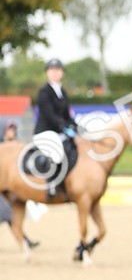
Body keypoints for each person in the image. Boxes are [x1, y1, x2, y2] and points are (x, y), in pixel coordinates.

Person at [34, 57, 80, 197]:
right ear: (47, 72)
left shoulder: (63, 92)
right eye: (52, 70)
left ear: (62, 73)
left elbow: (67, 115)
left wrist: (76, 127)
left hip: (59, 132)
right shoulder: (44, 92)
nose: (55, 73)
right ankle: (52, 185)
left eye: (58, 70)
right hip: (45, 132)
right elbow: (50, 115)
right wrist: (64, 127)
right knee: (57, 152)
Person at [1, 121, 39, 248]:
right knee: (7, 213)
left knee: (10, 214)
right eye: (9, 129)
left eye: (13, 129)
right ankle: (25, 240)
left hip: (10, 189)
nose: (11, 132)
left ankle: (24, 240)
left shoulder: (17, 147)